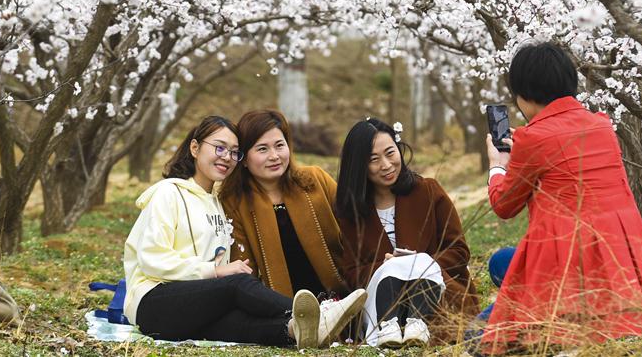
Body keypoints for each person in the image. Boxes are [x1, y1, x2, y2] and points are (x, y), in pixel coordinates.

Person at [481, 42, 642, 352]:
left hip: (566, 269)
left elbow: (504, 205)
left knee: (485, 322)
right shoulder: (602, 126)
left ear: (525, 93)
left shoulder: (533, 137)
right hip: (619, 263)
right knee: (504, 261)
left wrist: (497, 167)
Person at [123, 115, 364, 348]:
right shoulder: (169, 193)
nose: (226, 157)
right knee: (237, 284)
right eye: (219, 148)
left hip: (195, 305)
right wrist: (215, 271)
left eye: (233, 152)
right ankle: (318, 315)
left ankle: (297, 330)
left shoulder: (219, 202)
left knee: (237, 324)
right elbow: (151, 260)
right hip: (154, 301)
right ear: (195, 148)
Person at [335, 118, 480, 348]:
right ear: (359, 166)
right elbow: (351, 272)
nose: (386, 164)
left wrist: (419, 263)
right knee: (393, 269)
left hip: (438, 293)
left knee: (418, 263)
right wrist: (387, 267)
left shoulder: (428, 191)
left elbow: (459, 251)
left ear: (399, 149)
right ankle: (390, 328)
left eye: (390, 152)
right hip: (382, 303)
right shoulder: (352, 212)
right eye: (374, 159)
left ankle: (419, 325)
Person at [220, 109, 361, 342]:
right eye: (262, 149)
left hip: (341, 298)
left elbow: (355, 226)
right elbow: (245, 272)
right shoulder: (235, 203)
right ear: (243, 159)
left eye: (280, 145)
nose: (274, 156)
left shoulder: (315, 180)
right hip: (283, 311)